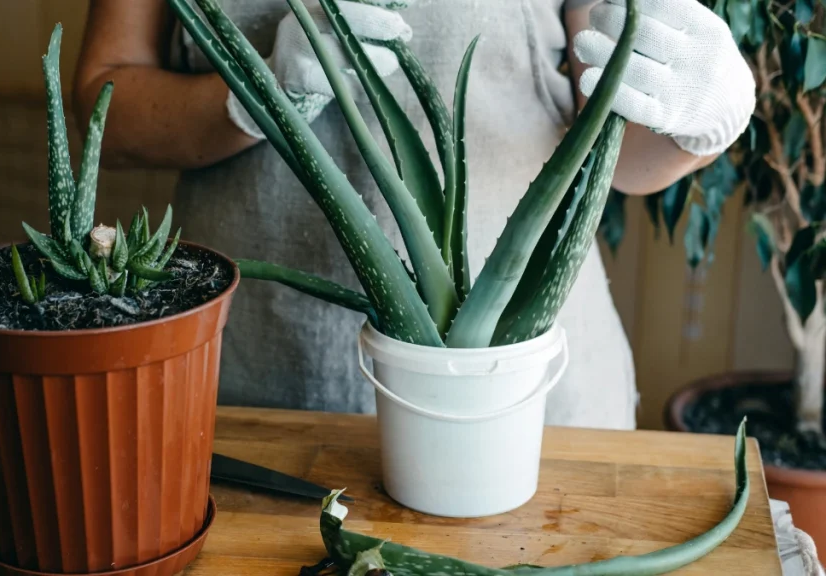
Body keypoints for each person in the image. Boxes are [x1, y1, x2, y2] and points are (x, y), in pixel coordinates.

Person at [72, 0, 755, 430]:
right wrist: (257, 93)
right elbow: (107, 103)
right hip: (253, 388)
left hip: (520, 393)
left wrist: (698, 127)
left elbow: (620, 145)